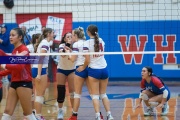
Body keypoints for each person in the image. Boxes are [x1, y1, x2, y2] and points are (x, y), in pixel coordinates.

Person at [0, 28, 36, 120]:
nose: (10, 37)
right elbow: (12, 69)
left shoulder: (24, 49)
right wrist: (1, 73)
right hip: (14, 82)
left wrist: (4, 65)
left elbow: (19, 67)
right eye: (10, 35)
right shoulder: (14, 50)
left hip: (24, 83)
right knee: (7, 112)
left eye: (13, 35)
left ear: (20, 37)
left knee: (28, 114)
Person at [81, 24, 114, 120]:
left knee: (95, 95)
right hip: (104, 69)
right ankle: (109, 115)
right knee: (103, 94)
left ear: (88, 32)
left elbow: (87, 60)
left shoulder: (86, 43)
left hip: (94, 70)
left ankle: (98, 116)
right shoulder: (101, 41)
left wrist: (83, 67)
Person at [68, 27, 95, 120]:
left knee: (77, 94)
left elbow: (72, 59)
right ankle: (99, 114)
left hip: (80, 68)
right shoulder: (87, 42)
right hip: (88, 67)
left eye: (72, 36)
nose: (71, 37)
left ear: (75, 36)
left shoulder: (76, 44)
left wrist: (68, 53)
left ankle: (74, 116)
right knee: (93, 94)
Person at [32, 28, 54, 120]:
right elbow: (41, 59)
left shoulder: (45, 43)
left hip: (37, 69)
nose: (54, 34)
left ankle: (37, 114)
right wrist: (39, 74)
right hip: (39, 70)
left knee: (38, 94)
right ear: (48, 34)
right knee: (40, 95)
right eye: (53, 33)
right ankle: (37, 115)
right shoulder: (45, 43)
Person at [56, 32, 75, 119]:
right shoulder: (61, 46)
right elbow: (63, 55)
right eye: (68, 37)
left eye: (71, 36)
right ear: (64, 39)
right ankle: (60, 111)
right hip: (61, 70)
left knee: (72, 92)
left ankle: (74, 112)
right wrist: (67, 46)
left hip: (72, 70)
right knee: (61, 91)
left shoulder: (76, 46)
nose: (70, 38)